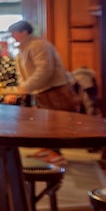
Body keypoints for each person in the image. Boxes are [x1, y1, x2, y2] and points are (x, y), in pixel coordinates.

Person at [5, 20, 77, 163]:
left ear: (24, 32)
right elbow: (24, 72)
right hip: (42, 90)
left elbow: (44, 70)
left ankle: (56, 153)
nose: (12, 36)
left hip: (54, 90)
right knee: (45, 123)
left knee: (55, 123)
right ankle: (47, 148)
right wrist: (23, 87)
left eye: (14, 32)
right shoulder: (26, 47)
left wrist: (26, 87)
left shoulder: (38, 45)